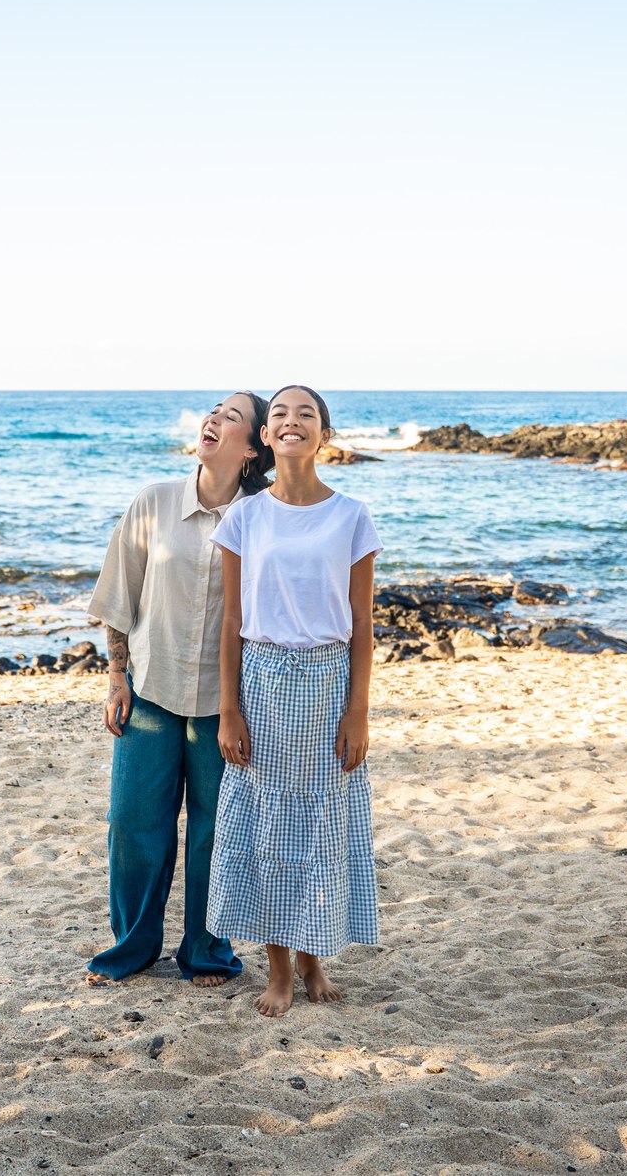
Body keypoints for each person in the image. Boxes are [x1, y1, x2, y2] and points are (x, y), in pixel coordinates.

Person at [86, 393, 274, 987]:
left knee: (216, 831)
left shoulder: (264, 515)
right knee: (133, 823)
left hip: (227, 703)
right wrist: (116, 678)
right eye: (212, 410)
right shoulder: (154, 501)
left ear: (252, 448)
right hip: (151, 689)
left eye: (232, 417)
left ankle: (206, 951)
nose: (212, 420)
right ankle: (133, 948)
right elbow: (120, 594)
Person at [207, 384, 382, 1018]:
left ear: (324, 435)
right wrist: (229, 709)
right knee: (269, 828)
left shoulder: (352, 515)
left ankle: (315, 960)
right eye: (278, 413)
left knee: (323, 827)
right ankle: (279, 969)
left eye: (305, 414)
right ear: (264, 437)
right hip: (263, 685)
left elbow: (363, 626)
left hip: (329, 684)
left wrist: (357, 711)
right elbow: (231, 623)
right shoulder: (245, 518)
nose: (290, 422)